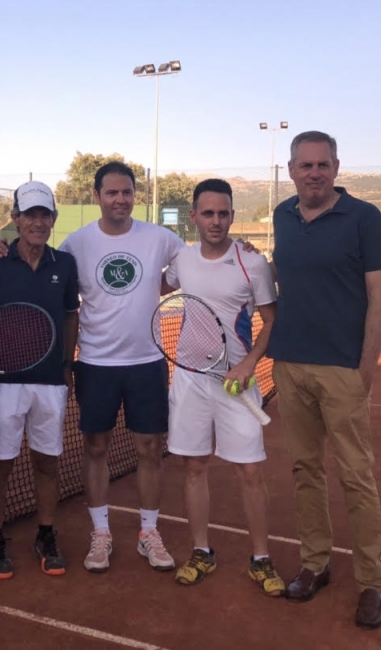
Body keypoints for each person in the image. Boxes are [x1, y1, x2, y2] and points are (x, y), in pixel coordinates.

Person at [0, 162, 184, 573]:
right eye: (111, 192)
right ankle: (101, 534)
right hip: (95, 363)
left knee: (150, 449)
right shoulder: (75, 245)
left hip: (147, 362)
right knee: (95, 448)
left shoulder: (161, 238)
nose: (120, 199)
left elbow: (196, 264)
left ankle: (149, 533)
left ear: (135, 195)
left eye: (126, 192)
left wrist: (243, 249)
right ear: (96, 197)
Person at [268, 131, 381, 628]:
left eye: (322, 164)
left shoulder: (365, 218)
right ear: (293, 170)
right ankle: (315, 564)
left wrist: (366, 368)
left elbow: (379, 299)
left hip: (343, 370)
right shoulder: (282, 215)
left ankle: (371, 582)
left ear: (336, 168)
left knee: (356, 476)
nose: (314, 172)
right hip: (290, 365)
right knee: (304, 470)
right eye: (305, 165)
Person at [163, 178, 285, 596]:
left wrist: (251, 364)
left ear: (232, 215)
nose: (216, 221)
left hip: (237, 382)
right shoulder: (182, 259)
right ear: (194, 216)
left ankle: (261, 559)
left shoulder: (252, 263)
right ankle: (201, 551)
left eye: (223, 213)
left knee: (250, 471)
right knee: (194, 467)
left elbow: (271, 320)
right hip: (190, 381)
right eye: (208, 213)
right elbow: (155, 286)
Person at [0, 181, 80, 579]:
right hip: (2, 381)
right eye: (30, 215)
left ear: (53, 219)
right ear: (15, 219)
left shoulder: (65, 264)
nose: (38, 223)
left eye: (45, 215)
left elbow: (71, 314)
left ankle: (45, 534)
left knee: (47, 463)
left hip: (49, 382)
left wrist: (66, 366)